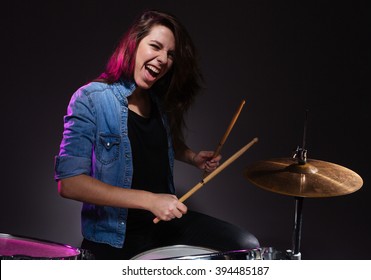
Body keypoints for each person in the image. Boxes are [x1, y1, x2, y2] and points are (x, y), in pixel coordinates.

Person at [54, 10, 259, 260]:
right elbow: (70, 182)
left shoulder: (155, 102)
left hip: (163, 229)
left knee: (245, 246)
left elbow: (156, 142)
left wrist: (193, 157)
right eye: (155, 46)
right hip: (116, 239)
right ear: (133, 44)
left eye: (170, 54)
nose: (163, 59)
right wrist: (150, 200)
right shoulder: (90, 98)